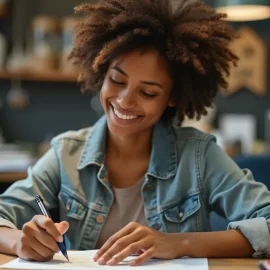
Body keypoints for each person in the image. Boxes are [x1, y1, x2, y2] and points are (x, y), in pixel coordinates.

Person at [0, 0, 270, 266]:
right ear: (102, 71)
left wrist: (177, 243)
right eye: (117, 80)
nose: (126, 101)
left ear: (172, 97)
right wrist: (19, 241)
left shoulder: (200, 157)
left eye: (148, 92)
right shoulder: (66, 154)